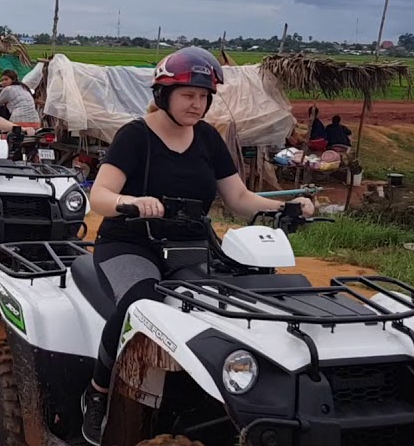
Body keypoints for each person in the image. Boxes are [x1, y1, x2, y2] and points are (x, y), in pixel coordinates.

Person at [79, 46, 315, 445]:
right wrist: (131, 203)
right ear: (163, 95)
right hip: (130, 244)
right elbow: (99, 196)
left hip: (190, 247)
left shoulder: (207, 138)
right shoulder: (134, 136)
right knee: (142, 298)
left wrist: (284, 206)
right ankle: (97, 393)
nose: (198, 104)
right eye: (188, 94)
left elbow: (238, 199)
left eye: (204, 96)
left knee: (215, 305)